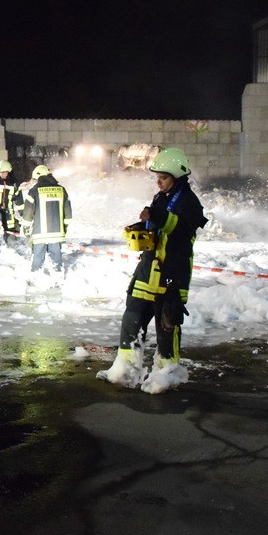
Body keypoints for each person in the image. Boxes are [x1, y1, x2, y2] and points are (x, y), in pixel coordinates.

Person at [97, 147, 207, 393]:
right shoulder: (161, 197)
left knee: (167, 326)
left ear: (177, 177)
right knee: (132, 317)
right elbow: (157, 224)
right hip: (148, 270)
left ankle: (167, 374)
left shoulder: (189, 203)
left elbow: (178, 229)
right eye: (157, 177)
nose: (158, 182)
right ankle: (124, 369)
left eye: (163, 178)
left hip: (171, 274)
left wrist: (156, 216)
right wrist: (142, 226)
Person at [20, 165, 71, 283]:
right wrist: (64, 227)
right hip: (57, 232)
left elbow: (28, 213)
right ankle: (58, 279)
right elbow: (68, 213)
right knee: (56, 257)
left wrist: (26, 228)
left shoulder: (33, 191)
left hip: (39, 233)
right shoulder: (61, 190)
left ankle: (35, 279)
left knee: (38, 257)